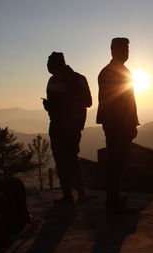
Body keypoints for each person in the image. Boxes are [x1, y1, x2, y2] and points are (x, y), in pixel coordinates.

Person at [96, 38, 139, 213]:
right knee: (116, 161)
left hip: (117, 123)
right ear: (113, 51)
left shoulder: (113, 71)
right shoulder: (114, 72)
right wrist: (130, 123)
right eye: (124, 49)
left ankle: (113, 197)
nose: (127, 52)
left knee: (117, 161)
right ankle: (112, 202)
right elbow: (121, 102)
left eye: (128, 48)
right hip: (118, 124)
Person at [43, 52, 92, 205]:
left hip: (69, 125)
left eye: (50, 66)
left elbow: (88, 101)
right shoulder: (54, 80)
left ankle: (76, 193)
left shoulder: (77, 79)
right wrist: (49, 106)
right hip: (60, 124)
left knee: (68, 158)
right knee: (65, 159)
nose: (50, 70)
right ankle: (73, 194)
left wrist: (63, 105)